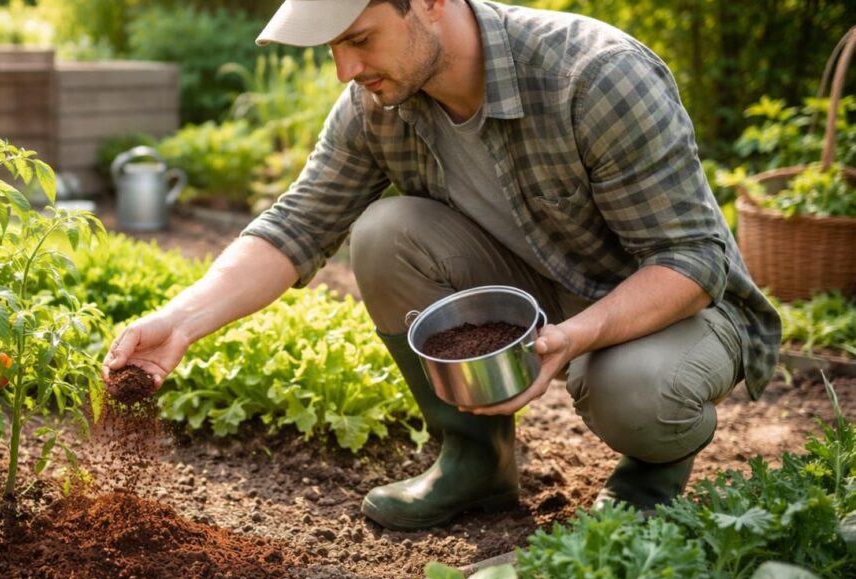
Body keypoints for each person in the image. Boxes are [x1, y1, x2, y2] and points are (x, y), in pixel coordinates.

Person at [103, 0, 781, 530]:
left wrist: (572, 341)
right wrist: (180, 320)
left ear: (429, 2)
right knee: (385, 233)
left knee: (631, 389)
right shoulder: (377, 104)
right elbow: (296, 225)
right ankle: (476, 460)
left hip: (678, 305)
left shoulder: (595, 76)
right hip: (544, 290)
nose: (345, 69)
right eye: (333, 48)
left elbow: (691, 261)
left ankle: (651, 475)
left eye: (359, 39)